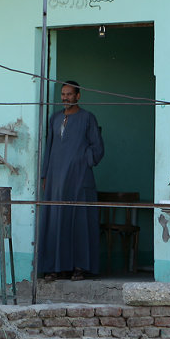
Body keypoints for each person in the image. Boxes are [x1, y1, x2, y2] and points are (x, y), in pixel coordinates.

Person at [38, 80, 104, 281]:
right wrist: (45, 175)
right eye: (63, 94)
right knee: (56, 220)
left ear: (78, 96)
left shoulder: (87, 118)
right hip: (56, 179)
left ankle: (80, 268)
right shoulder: (54, 118)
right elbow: (49, 147)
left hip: (79, 178)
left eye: (69, 94)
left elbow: (98, 148)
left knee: (80, 222)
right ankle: (55, 268)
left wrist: (82, 159)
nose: (65, 97)